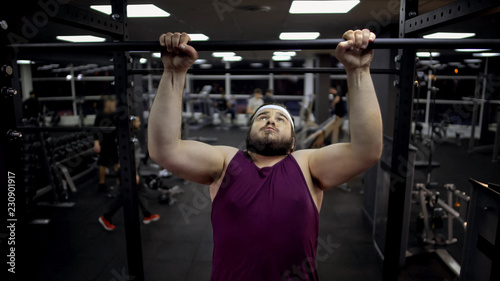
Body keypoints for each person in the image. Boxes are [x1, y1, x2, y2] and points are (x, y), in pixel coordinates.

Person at [149, 30, 382, 280]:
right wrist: (173, 73)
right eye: (262, 117)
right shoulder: (227, 162)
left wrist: (358, 71)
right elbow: (165, 149)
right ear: (248, 132)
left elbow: (366, 150)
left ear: (293, 142)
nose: (271, 120)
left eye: (281, 119)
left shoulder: (307, 164)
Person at [98, 116, 160, 231]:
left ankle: (147, 215)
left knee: (141, 191)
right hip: (127, 171)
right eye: (137, 121)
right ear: (131, 123)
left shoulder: (132, 135)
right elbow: (125, 156)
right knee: (124, 196)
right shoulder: (125, 137)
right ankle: (106, 217)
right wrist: (134, 173)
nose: (139, 122)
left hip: (132, 169)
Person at [93, 96, 119, 192]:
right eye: (112, 104)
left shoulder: (115, 115)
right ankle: (101, 183)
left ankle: (119, 182)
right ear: (107, 104)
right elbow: (95, 130)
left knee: (117, 162)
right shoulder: (100, 115)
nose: (114, 105)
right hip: (104, 142)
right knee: (103, 163)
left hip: (114, 142)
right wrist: (96, 143)